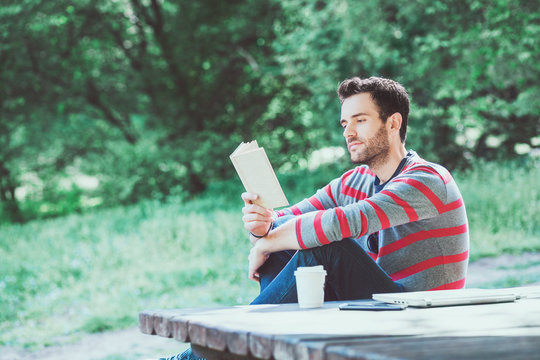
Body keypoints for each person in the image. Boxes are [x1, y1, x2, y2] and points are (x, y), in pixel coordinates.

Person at [160, 76, 469, 360]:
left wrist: (266, 242)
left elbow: (342, 224)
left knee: (326, 248)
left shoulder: (427, 180)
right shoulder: (354, 181)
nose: (348, 132)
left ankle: (213, 352)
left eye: (360, 121)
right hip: (379, 307)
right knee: (288, 245)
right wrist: (262, 228)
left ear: (393, 123)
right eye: (345, 123)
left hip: (420, 319)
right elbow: (287, 220)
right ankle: (256, 352)